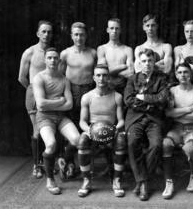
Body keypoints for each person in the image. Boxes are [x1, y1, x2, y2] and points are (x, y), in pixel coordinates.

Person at [33, 48, 80, 195]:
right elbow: (40, 105)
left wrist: (53, 102)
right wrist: (60, 100)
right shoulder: (39, 78)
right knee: (51, 144)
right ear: (45, 60)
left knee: (77, 139)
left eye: (55, 58)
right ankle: (50, 179)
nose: (53, 60)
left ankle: (64, 160)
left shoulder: (64, 79)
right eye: (50, 58)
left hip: (60, 117)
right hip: (44, 117)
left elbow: (69, 104)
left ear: (59, 61)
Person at [162, 62, 193, 199]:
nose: (183, 75)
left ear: (191, 74)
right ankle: (169, 181)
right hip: (176, 128)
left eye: (186, 72)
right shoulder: (172, 91)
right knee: (166, 144)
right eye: (180, 72)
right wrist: (189, 108)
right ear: (176, 75)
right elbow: (168, 113)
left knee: (191, 149)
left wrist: (178, 112)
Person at [124, 48, 169, 201]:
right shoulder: (132, 79)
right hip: (135, 118)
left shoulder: (161, 78)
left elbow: (163, 98)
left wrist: (142, 96)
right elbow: (129, 100)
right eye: (144, 61)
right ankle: (143, 182)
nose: (147, 64)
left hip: (154, 119)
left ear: (154, 62)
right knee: (132, 143)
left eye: (150, 61)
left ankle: (141, 181)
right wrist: (150, 103)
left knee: (156, 145)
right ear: (139, 62)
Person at [77, 64, 127, 198]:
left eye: (105, 75)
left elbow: (121, 120)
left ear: (109, 77)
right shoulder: (86, 97)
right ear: (94, 78)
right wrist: (89, 130)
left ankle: (117, 180)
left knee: (121, 139)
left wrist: (115, 129)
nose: (101, 78)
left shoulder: (117, 96)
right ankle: (86, 180)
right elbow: (82, 121)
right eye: (98, 75)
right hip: (93, 129)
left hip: (111, 129)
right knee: (82, 140)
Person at [60, 22, 97, 178]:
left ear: (86, 35)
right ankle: (68, 162)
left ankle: (78, 162)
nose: (79, 37)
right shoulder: (65, 54)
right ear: (71, 36)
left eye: (81, 34)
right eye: (76, 34)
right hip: (72, 92)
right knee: (73, 130)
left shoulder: (93, 53)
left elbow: (98, 74)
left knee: (87, 129)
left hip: (89, 91)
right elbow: (60, 77)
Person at [18, 20, 53, 179]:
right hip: (34, 93)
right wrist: (33, 91)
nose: (46, 34)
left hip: (50, 94)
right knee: (37, 130)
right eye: (43, 31)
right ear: (38, 33)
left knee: (50, 128)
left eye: (49, 32)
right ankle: (36, 165)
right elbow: (21, 78)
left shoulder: (53, 53)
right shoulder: (30, 52)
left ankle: (50, 163)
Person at [97, 18, 134, 94]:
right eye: (112, 28)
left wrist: (111, 71)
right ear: (107, 30)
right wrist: (122, 67)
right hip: (106, 87)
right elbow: (102, 71)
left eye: (117, 28)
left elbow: (130, 73)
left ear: (120, 30)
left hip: (123, 88)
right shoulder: (102, 49)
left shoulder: (127, 49)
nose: (114, 31)